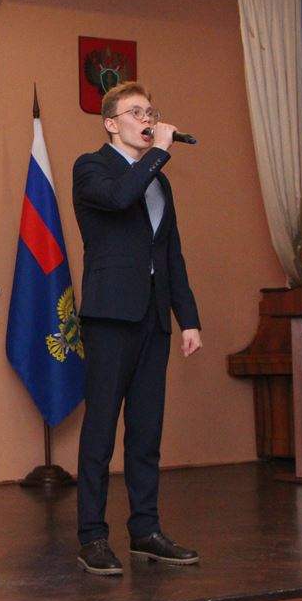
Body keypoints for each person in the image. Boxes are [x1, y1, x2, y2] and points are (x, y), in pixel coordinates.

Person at [71, 81, 203, 575]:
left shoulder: (160, 182)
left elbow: (171, 254)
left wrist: (188, 319)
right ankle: (92, 536)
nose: (147, 120)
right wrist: (160, 154)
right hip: (110, 316)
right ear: (111, 123)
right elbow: (120, 198)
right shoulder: (92, 168)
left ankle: (145, 530)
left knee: (146, 432)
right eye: (136, 112)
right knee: (101, 431)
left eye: (151, 112)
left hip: (153, 317)